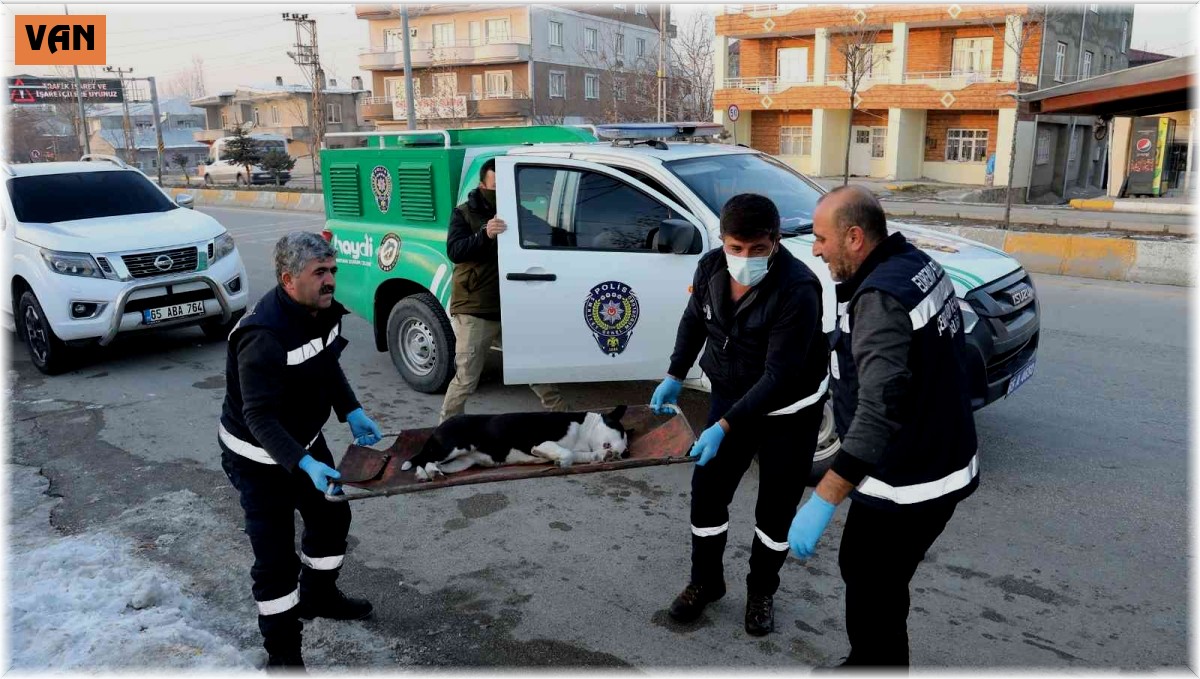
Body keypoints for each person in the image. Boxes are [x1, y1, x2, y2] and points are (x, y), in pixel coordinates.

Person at [788, 185, 979, 667]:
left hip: (910, 479)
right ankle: (869, 660)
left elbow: (878, 413)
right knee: (871, 574)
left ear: (854, 237)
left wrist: (823, 499)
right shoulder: (913, 265)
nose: (815, 248)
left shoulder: (880, 298)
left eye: (821, 238)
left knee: (873, 583)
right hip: (938, 454)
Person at [650, 193, 829, 636]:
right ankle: (706, 583)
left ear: (775, 241)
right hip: (729, 397)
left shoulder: (798, 289)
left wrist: (724, 426)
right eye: (735, 248)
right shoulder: (711, 267)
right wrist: (675, 372)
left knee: (775, 511)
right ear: (723, 241)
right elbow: (695, 320)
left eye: (757, 250)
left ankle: (761, 590)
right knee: (707, 494)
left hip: (789, 410)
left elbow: (780, 376)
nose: (744, 258)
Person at [219, 231, 384, 670]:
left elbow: (325, 363)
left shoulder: (321, 310)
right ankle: (284, 657)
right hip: (257, 459)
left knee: (332, 518)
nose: (330, 280)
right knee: (275, 561)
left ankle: (319, 597)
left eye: (333, 270)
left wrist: (351, 410)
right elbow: (259, 419)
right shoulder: (262, 336)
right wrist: (304, 463)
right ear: (288, 280)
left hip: (306, 442)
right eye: (319, 273)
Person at [439, 158, 565, 423]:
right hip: (476, 309)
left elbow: (549, 233)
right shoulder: (463, 213)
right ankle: (445, 432)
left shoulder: (515, 211)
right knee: (466, 378)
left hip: (512, 305)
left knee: (533, 367)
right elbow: (455, 251)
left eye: (504, 186)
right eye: (495, 186)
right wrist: (485, 234)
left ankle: (566, 420)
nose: (500, 192)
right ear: (482, 184)